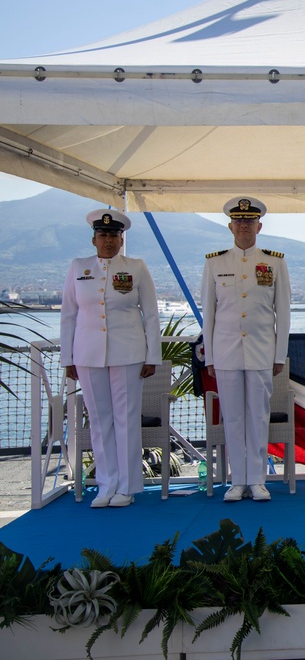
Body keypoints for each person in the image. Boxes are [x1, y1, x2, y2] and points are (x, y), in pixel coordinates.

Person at [60, 209, 160, 508]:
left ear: (121, 239)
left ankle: (127, 487)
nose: (108, 240)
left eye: (114, 235)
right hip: (89, 354)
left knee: (126, 419)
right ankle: (106, 484)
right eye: (103, 235)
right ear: (94, 240)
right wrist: (68, 357)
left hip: (128, 354)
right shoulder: (79, 267)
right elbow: (69, 314)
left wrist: (152, 355)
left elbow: (151, 315)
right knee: (100, 422)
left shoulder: (136, 267)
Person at [201, 197, 291, 503]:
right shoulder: (215, 262)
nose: (243, 227)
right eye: (238, 222)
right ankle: (237, 480)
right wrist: (210, 358)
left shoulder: (275, 262)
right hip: (225, 352)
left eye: (249, 222)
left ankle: (257, 480)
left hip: (261, 352)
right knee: (233, 418)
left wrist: (279, 355)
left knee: (258, 416)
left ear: (259, 226)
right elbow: (208, 314)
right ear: (230, 226)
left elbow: (283, 312)